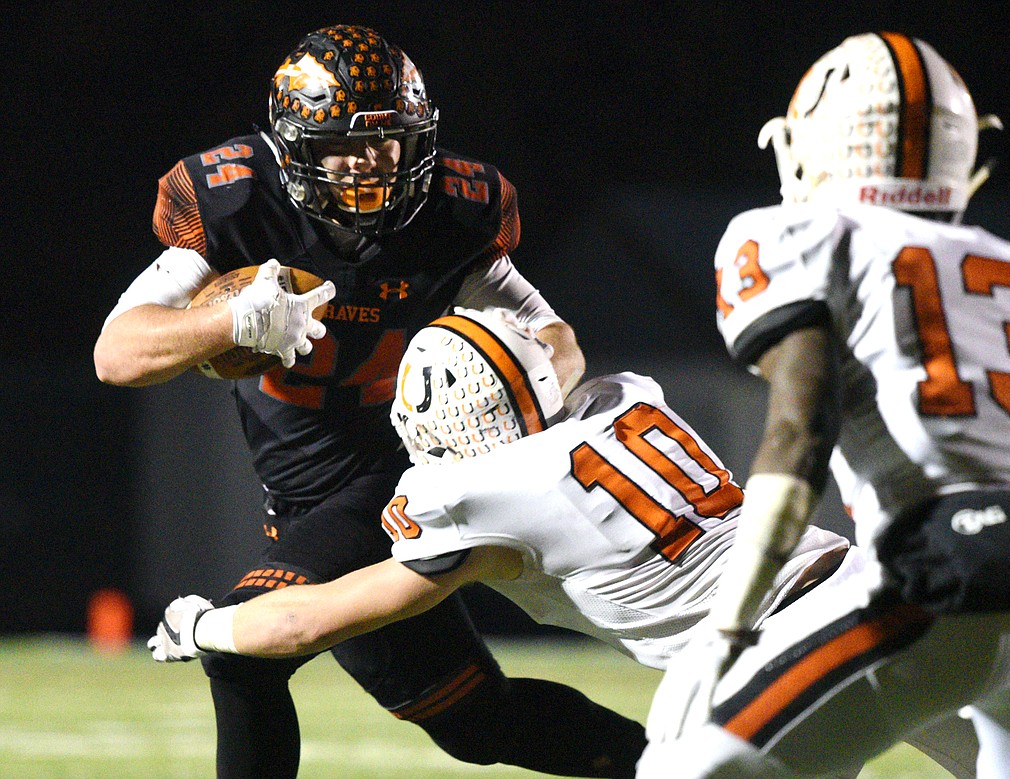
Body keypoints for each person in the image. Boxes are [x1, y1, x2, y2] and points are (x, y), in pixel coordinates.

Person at [147, 308, 1010, 779]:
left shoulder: (483, 489)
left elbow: (318, 613)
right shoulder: (619, 401)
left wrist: (210, 619)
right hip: (873, 581)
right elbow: (556, 344)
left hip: (800, 643)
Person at [94, 24, 646, 779]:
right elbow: (116, 353)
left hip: (403, 473)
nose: (373, 165)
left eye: (390, 142)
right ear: (294, 144)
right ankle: (689, 766)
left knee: (241, 653)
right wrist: (233, 318)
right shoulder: (237, 200)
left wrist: (512, 400)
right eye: (346, 146)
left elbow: (556, 339)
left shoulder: (451, 209)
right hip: (305, 496)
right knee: (476, 720)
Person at [639, 31, 1010, 778]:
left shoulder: (804, 235)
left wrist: (727, 625)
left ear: (824, 140)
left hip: (940, 576)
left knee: (685, 767)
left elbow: (799, 433)